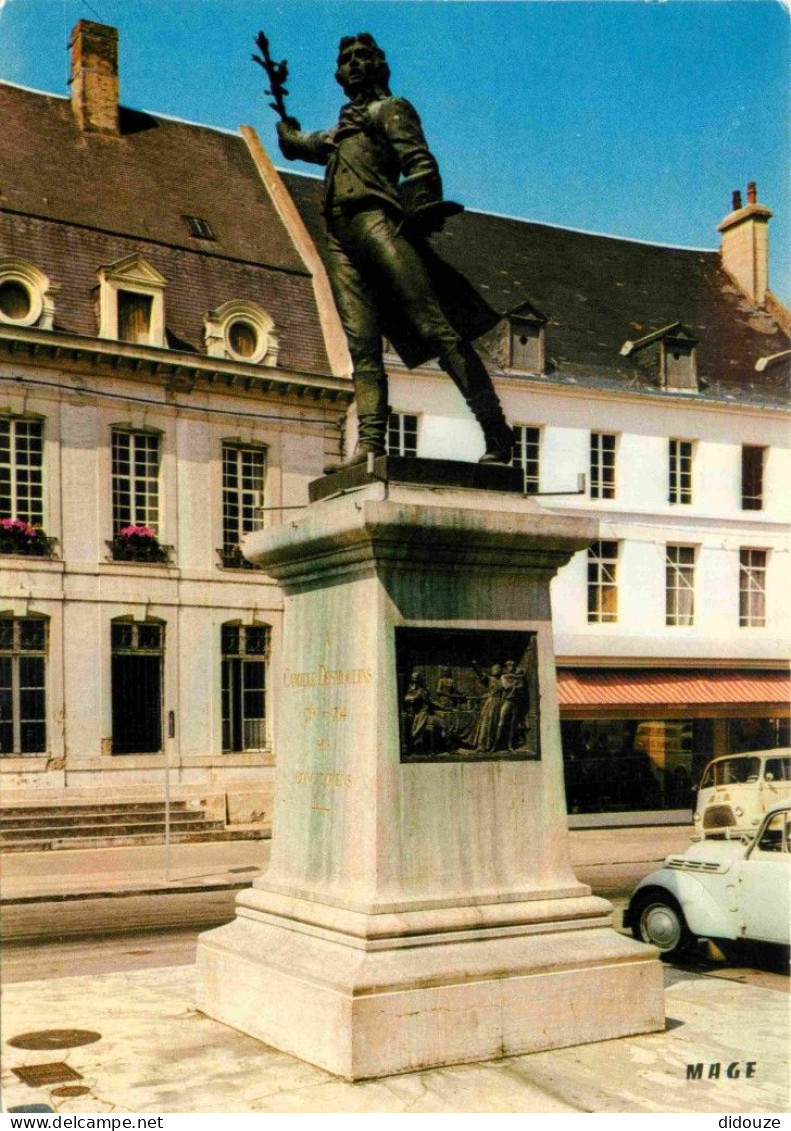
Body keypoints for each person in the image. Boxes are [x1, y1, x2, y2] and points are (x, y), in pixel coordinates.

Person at [276, 33, 514, 470]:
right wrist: (287, 133)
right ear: (338, 74)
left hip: (378, 224)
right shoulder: (339, 132)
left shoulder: (390, 110)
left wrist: (420, 210)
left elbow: (421, 164)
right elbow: (300, 145)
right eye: (347, 59)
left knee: (436, 329)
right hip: (339, 238)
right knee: (362, 346)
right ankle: (370, 443)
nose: (354, 65)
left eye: (363, 57)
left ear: (380, 66)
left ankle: (496, 431)